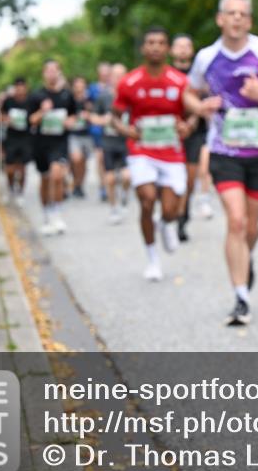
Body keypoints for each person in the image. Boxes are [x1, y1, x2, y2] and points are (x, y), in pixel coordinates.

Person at [189, 0, 258, 326]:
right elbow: (189, 92)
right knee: (235, 221)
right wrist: (198, 107)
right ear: (220, 18)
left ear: (249, 20)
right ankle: (241, 296)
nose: (236, 19)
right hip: (224, 151)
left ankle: (245, 259)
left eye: (242, 14)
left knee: (250, 227)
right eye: (230, 13)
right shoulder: (206, 58)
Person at [112, 27, 204, 282]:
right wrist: (126, 130)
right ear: (144, 48)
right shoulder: (129, 82)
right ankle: (152, 258)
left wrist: (189, 125)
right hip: (141, 150)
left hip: (172, 151)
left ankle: (166, 223)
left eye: (160, 43)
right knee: (147, 198)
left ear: (167, 49)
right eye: (150, 42)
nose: (155, 47)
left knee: (172, 210)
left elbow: (194, 113)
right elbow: (115, 118)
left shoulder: (179, 81)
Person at [172, 33, 216, 241]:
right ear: (172, 50)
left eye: (186, 45)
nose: (182, 49)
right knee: (169, 181)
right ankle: (168, 214)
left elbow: (207, 102)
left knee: (188, 181)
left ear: (192, 50)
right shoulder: (166, 74)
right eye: (178, 45)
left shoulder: (201, 74)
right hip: (169, 133)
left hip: (195, 132)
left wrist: (192, 120)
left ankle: (182, 219)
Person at [28, 60, 77, 236]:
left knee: (57, 175)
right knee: (45, 180)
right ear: (44, 74)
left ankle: (57, 214)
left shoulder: (66, 95)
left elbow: (73, 116)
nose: (51, 74)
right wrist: (42, 112)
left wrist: (69, 122)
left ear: (59, 72)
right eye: (48, 71)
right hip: (41, 143)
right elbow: (31, 120)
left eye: (54, 70)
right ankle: (47, 215)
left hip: (60, 142)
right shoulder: (37, 95)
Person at [91, 62, 132, 223]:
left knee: (127, 176)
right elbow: (93, 117)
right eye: (116, 76)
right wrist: (104, 120)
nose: (119, 79)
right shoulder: (103, 96)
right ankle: (113, 208)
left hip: (126, 142)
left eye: (122, 75)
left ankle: (124, 196)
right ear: (111, 78)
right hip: (108, 141)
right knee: (110, 179)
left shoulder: (131, 96)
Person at [1, 77, 34, 205]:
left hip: (26, 138)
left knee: (22, 169)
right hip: (11, 138)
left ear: (26, 88)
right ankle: (10, 190)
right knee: (10, 169)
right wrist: (6, 119)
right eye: (18, 87)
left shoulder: (31, 101)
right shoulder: (8, 101)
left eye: (22, 87)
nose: (20, 90)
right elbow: (1, 114)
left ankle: (20, 192)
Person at [68, 76, 95, 198]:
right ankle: (75, 182)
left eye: (82, 84)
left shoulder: (89, 99)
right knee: (76, 159)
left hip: (87, 134)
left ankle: (79, 185)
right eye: (77, 84)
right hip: (73, 134)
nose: (80, 87)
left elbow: (97, 113)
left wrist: (89, 113)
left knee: (83, 162)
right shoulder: (69, 99)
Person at [89, 62, 113, 200]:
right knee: (100, 158)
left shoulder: (116, 88)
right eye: (102, 72)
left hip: (115, 130)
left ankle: (111, 183)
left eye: (107, 72)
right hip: (99, 129)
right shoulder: (92, 89)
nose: (104, 74)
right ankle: (103, 186)